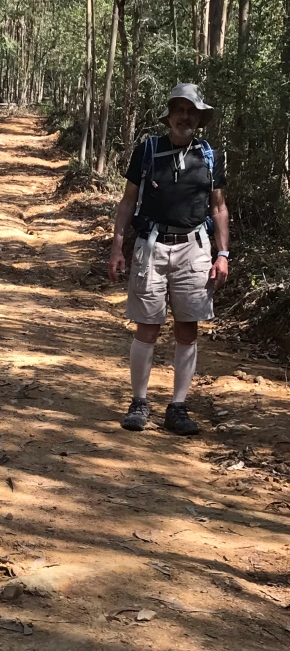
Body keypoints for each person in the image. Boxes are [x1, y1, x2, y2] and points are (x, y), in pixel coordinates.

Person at [108, 83, 229, 435]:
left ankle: (177, 407)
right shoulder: (148, 150)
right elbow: (128, 201)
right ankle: (139, 402)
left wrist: (222, 254)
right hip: (151, 246)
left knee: (187, 328)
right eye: (179, 109)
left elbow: (218, 208)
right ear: (169, 115)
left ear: (199, 117)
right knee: (147, 326)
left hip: (195, 249)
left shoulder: (209, 156)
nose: (185, 116)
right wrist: (117, 246)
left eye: (191, 111)